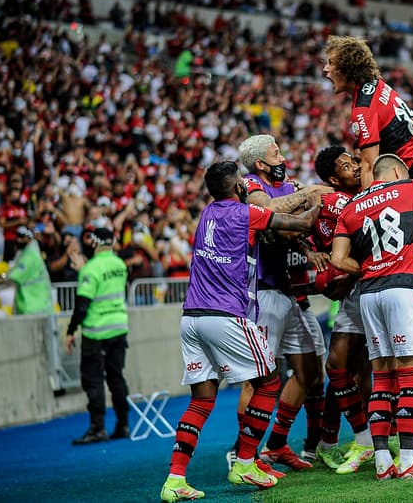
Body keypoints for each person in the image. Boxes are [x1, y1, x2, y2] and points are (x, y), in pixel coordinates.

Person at [158, 161, 319, 501]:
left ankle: (175, 480)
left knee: (201, 400)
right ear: (239, 188)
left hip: (191, 318)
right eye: (243, 182)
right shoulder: (246, 214)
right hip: (225, 316)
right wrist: (316, 198)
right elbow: (303, 223)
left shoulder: (206, 214)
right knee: (269, 382)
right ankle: (245, 461)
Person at [331, 154, 413, 480]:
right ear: (396, 171)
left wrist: (368, 268)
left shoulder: (350, 207)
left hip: (368, 293)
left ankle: (382, 461)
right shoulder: (410, 188)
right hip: (404, 287)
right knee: (411, 373)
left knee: (382, 378)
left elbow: (337, 259)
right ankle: (407, 460)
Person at [229, 134, 332, 472]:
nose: (282, 157)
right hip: (263, 292)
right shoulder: (251, 185)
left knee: (309, 371)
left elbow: (291, 228)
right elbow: (271, 211)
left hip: (289, 292)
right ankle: (242, 452)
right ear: (260, 162)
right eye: (276, 153)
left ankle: (275, 444)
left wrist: (305, 247)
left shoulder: (286, 185)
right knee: (258, 378)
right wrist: (307, 195)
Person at [309, 144, 374, 474]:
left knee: (368, 371)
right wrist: (311, 253)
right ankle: (358, 439)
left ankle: (396, 436)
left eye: (354, 161)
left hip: (375, 284)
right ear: (334, 179)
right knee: (340, 368)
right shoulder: (333, 202)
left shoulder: (367, 191)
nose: (356, 167)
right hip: (357, 290)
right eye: (347, 166)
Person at [323, 35, 413, 187]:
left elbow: (371, 166)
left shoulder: (363, 109)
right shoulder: (377, 84)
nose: (325, 69)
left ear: (347, 68)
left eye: (331, 63)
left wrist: (367, 200)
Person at [64, 227, 130, 445]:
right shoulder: (119, 265)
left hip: (96, 331)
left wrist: (70, 331)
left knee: (93, 380)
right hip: (119, 328)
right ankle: (123, 424)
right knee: (116, 377)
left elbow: (82, 305)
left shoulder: (91, 269)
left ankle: (97, 428)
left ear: (93, 243)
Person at [0, 226, 53, 315]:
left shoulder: (30, 256)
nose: (18, 240)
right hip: (29, 305)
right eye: (17, 236)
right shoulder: (25, 254)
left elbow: (12, 279)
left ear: (29, 238)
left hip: (35, 307)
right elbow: (10, 275)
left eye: (22, 237)